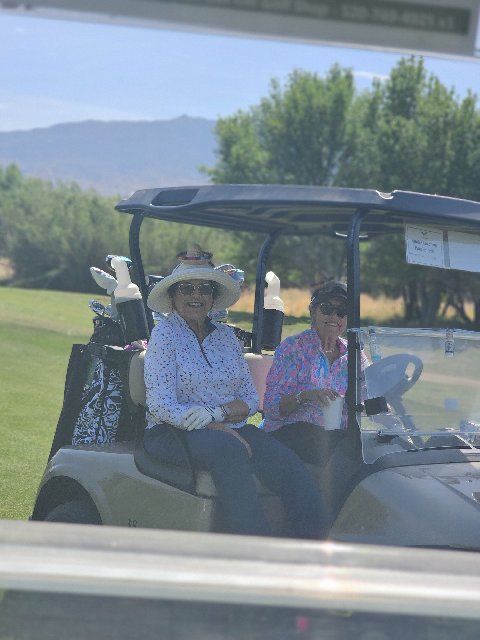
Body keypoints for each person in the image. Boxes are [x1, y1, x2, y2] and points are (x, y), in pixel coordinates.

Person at [143, 246, 329, 539]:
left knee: (284, 459)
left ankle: (312, 542)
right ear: (173, 296)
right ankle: (255, 544)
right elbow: (160, 403)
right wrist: (213, 425)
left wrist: (219, 414)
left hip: (229, 426)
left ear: (213, 296)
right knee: (228, 450)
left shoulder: (226, 337)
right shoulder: (164, 335)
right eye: (187, 288)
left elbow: (250, 399)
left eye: (204, 288)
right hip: (172, 431)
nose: (196, 295)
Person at [262, 281, 369, 465]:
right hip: (292, 432)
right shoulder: (293, 348)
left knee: (373, 449)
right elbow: (271, 408)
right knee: (341, 451)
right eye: (327, 309)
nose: (334, 316)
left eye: (342, 311)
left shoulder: (355, 355)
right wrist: (306, 396)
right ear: (313, 311)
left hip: (338, 436)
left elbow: (369, 394)